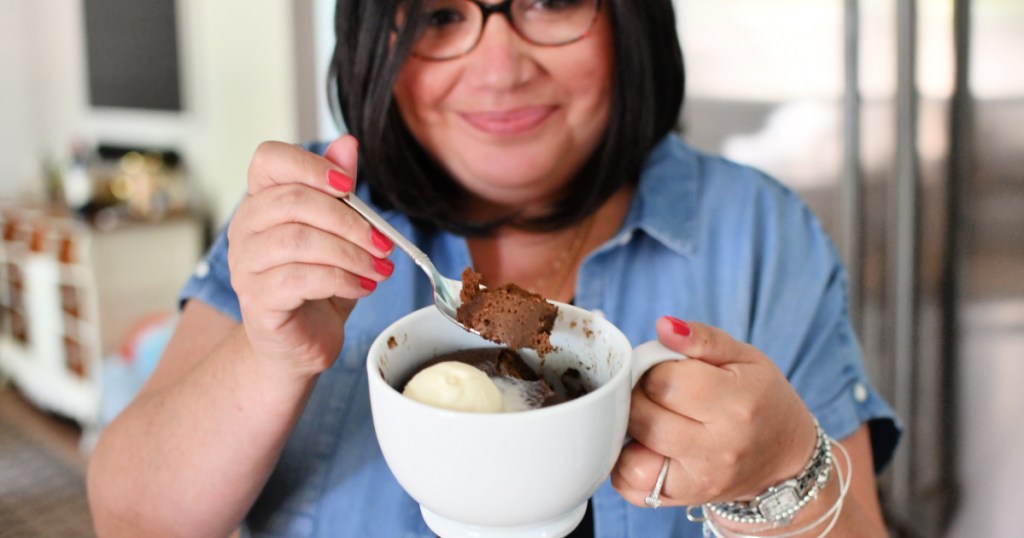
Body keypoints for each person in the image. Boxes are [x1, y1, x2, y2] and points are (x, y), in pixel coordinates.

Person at [87, 0, 900, 536]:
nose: (501, 67)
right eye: (441, 15)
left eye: (550, 1)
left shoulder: (759, 233)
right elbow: (130, 519)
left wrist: (787, 469)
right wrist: (270, 357)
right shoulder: (315, 214)